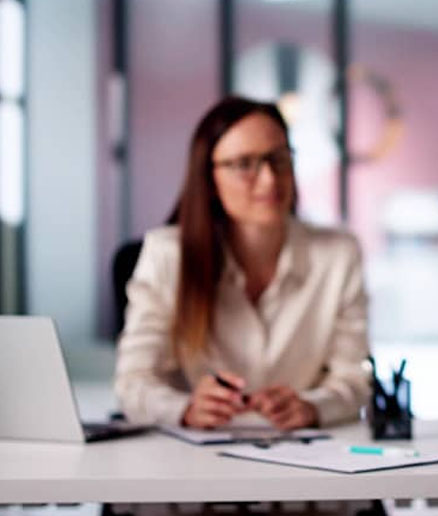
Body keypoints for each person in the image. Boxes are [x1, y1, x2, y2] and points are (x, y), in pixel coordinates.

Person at [115, 96, 370, 430]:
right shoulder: (167, 254)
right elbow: (132, 383)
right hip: (196, 450)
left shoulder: (338, 254)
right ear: (209, 179)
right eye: (244, 164)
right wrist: (186, 409)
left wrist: (312, 407)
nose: (269, 179)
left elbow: (354, 380)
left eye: (279, 159)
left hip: (301, 448)